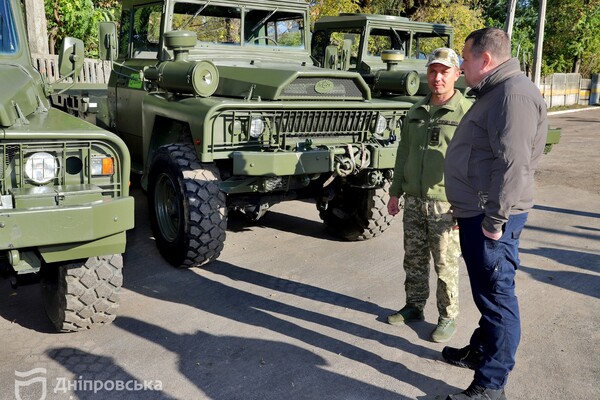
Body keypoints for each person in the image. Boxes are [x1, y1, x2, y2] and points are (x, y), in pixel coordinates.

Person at [443, 28, 548, 400]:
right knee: (487, 293)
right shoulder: (497, 91)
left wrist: (494, 221)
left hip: (493, 218)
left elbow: (513, 165)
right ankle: (482, 351)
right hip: (480, 211)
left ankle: (491, 385)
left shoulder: (513, 95)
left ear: (484, 59)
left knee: (498, 299)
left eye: (464, 58)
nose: (461, 65)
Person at [386, 47, 471, 343]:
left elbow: (475, 162)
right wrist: (395, 192)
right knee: (414, 259)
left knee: (445, 265)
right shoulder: (416, 111)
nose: (437, 77)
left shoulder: (466, 113)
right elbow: (403, 154)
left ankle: (447, 317)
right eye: (433, 71)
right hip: (414, 201)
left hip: (446, 205)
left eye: (444, 72)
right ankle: (414, 306)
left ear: (457, 75)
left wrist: (468, 204)